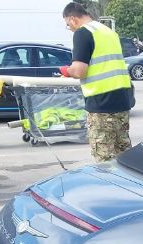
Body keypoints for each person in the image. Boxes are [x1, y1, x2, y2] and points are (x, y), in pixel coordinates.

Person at [60, 2, 135, 162]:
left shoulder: (82, 33)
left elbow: (79, 70)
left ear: (73, 19)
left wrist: (66, 71)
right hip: (122, 100)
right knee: (123, 155)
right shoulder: (108, 31)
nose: (70, 28)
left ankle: (108, 187)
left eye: (68, 25)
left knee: (104, 159)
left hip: (101, 104)